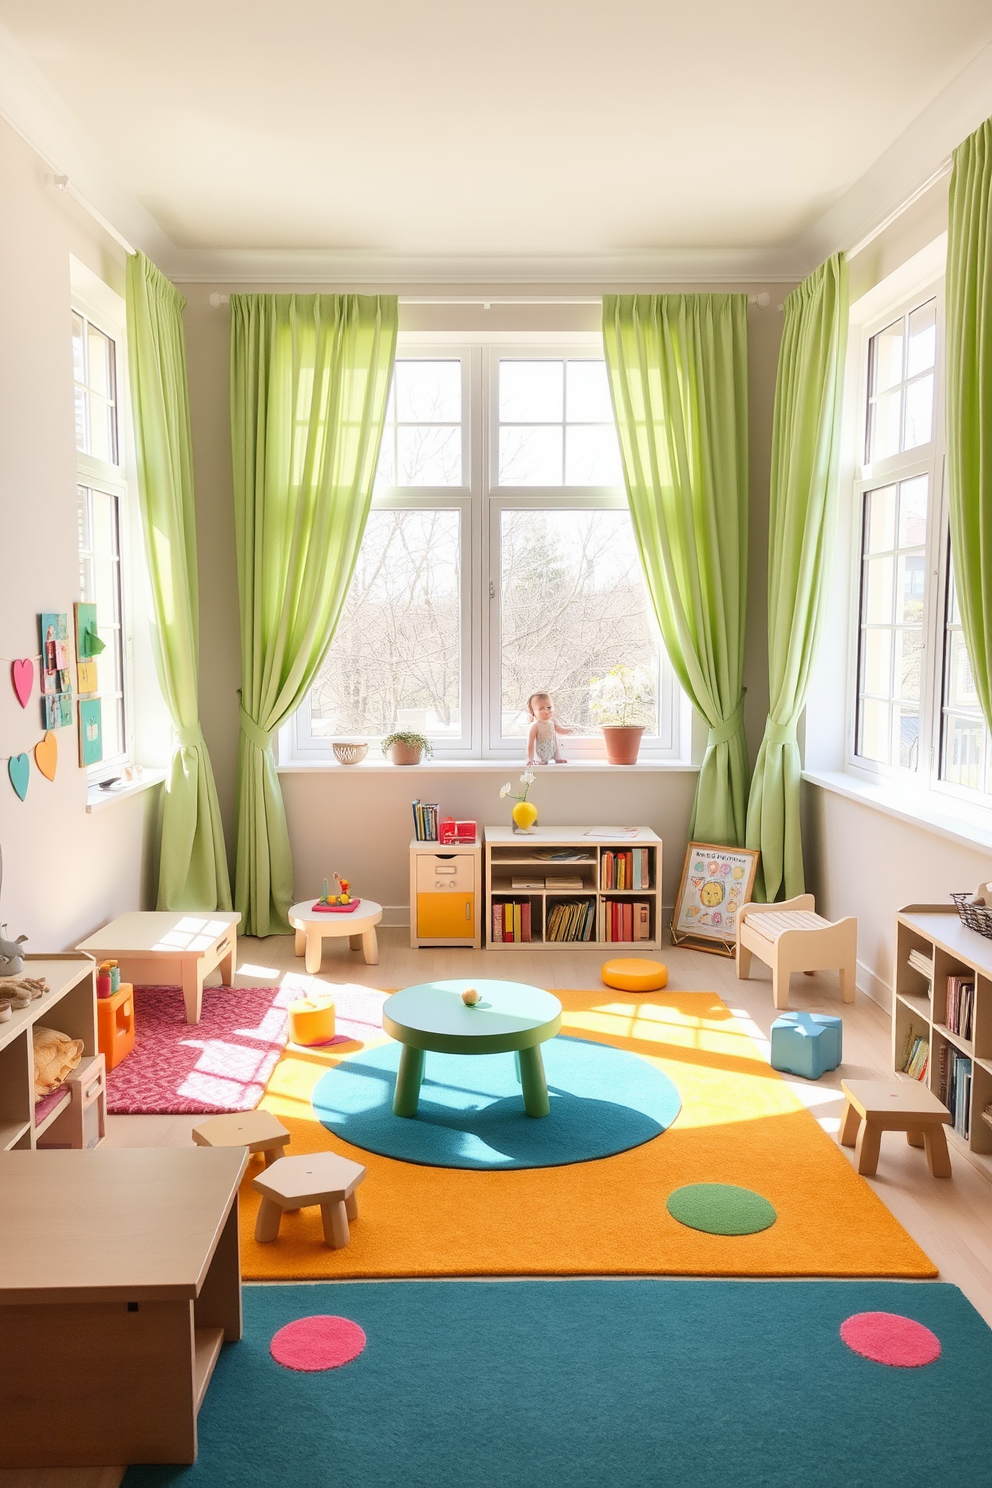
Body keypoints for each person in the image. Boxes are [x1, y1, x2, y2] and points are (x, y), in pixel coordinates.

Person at [526, 692, 571, 765]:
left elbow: (560, 730)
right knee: (541, 760)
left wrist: (570, 731)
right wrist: (529, 759)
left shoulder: (552, 722)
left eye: (549, 707)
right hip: (541, 750)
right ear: (533, 712)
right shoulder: (535, 726)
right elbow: (530, 744)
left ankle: (557, 758)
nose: (546, 710)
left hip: (552, 746)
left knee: (555, 747)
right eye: (541, 708)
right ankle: (540, 760)